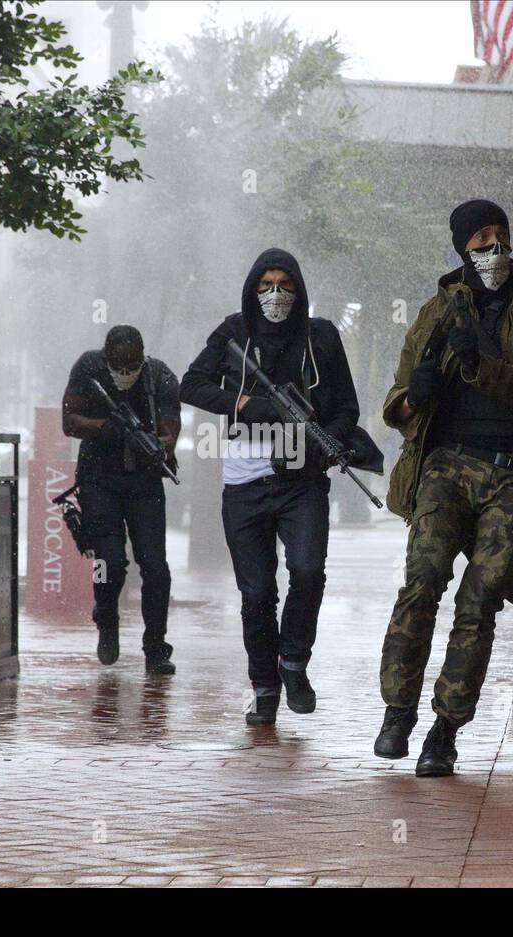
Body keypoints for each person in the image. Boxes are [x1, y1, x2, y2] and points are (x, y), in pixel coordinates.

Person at [375, 200, 513, 775]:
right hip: (446, 466)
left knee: (479, 602)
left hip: (512, 470)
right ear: (462, 247)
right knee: (421, 583)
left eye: (500, 234)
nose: (494, 247)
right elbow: (398, 403)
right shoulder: (438, 309)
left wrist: (479, 364)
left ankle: (445, 728)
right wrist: (420, 393)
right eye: (481, 238)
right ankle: (398, 711)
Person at [180, 248, 360, 725]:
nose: (276, 294)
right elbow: (191, 384)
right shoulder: (233, 332)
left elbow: (346, 406)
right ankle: (264, 687)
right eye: (265, 286)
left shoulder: (320, 336)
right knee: (257, 593)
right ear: (252, 290)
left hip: (303, 481)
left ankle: (293, 662)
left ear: (298, 290)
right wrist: (243, 403)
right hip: (245, 482)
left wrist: (332, 442)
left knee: (307, 570)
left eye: (285, 285)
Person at [62, 325, 181, 674]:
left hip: (144, 482)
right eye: (119, 365)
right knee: (108, 563)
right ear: (107, 358)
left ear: (144, 359)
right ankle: (107, 619)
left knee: (155, 568)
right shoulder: (89, 368)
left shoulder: (159, 376)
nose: (126, 373)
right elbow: (70, 421)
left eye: (133, 365)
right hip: (99, 480)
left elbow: (172, 425)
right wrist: (108, 429)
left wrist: (159, 444)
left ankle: (155, 646)